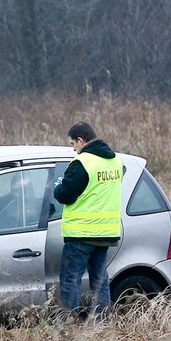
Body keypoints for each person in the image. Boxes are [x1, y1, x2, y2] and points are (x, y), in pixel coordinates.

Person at [53, 122, 123, 320]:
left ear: (81, 140)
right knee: (100, 281)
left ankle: (70, 324)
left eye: (73, 143)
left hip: (81, 234)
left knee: (70, 280)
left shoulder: (82, 162)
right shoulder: (115, 161)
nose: (73, 148)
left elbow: (65, 195)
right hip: (105, 234)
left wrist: (58, 185)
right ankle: (102, 323)